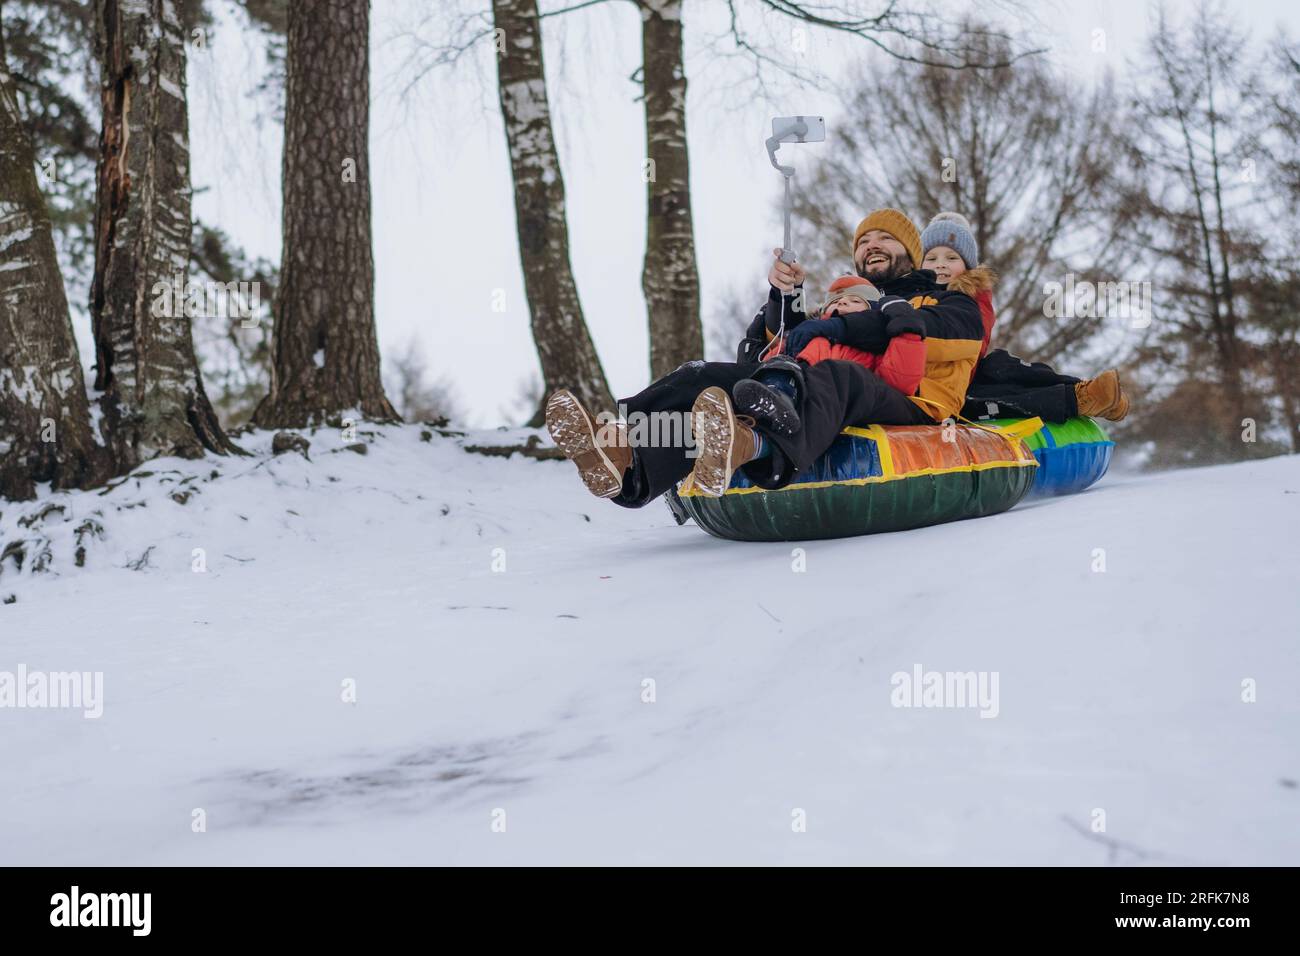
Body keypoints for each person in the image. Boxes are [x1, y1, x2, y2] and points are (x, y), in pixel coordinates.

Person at [687, 209, 986, 496]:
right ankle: (646, 449)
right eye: (864, 241)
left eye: (885, 238)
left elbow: (912, 351)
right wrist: (786, 295)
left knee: (841, 376)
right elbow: (785, 339)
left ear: (911, 254)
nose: (872, 246)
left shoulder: (947, 303)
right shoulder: (845, 306)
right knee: (705, 374)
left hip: (915, 400)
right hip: (835, 388)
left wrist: (844, 326)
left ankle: (757, 447)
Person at [917, 212, 1130, 423]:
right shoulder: (912, 293)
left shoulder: (971, 296)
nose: (940, 264)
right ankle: (1078, 399)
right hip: (937, 386)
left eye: (952, 258)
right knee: (986, 397)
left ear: (968, 267)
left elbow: (973, 339)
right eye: (932, 258)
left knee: (1003, 366)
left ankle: (1087, 391)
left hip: (964, 372)